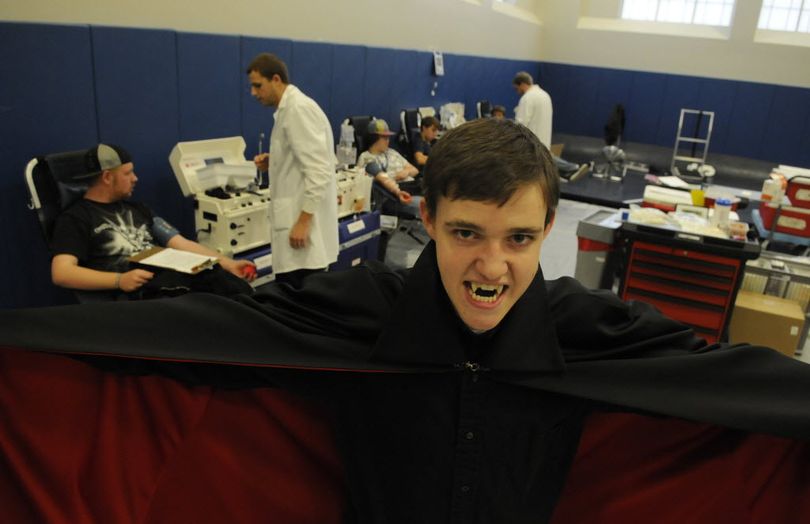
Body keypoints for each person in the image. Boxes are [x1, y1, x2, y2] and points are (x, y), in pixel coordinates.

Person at [1, 120, 810, 522]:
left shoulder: (583, 326)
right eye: (467, 234)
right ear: (427, 217)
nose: (492, 268)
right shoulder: (359, 307)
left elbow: (720, 377)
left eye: (520, 239)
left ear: (549, 229)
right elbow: (216, 333)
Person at [50, 143, 255, 299]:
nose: (135, 178)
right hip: (141, 291)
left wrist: (229, 264)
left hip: (170, 275)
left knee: (223, 279)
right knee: (216, 297)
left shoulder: (139, 209)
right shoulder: (76, 218)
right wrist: (119, 281)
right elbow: (61, 272)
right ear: (106, 177)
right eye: (128, 173)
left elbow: (181, 244)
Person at [248, 52, 338, 287]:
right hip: (295, 230)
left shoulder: (297, 109)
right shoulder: (289, 110)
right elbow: (304, 156)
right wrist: (276, 159)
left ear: (276, 79)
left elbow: (319, 171)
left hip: (301, 235)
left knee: (303, 303)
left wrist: (303, 221)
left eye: (258, 86)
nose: (253, 93)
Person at [356, 118, 420, 212]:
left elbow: (415, 170)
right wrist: (397, 186)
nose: (388, 141)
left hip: (412, 187)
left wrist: (406, 172)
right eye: (384, 138)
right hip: (392, 196)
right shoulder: (367, 157)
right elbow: (383, 178)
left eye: (388, 138)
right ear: (374, 138)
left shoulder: (392, 152)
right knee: (426, 206)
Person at [513, 71, 553, 148]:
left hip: (532, 148)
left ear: (522, 84)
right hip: (545, 146)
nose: (517, 92)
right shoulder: (545, 95)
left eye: (516, 89)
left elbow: (520, 125)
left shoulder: (527, 98)